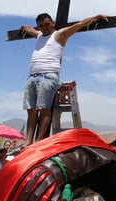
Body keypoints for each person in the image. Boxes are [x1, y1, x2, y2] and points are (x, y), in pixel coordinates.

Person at [20, 12, 109, 145]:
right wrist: (25, 27)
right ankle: (28, 142)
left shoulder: (59, 34)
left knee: (44, 109)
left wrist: (95, 18)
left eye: (47, 24)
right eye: (41, 26)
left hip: (48, 75)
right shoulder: (39, 35)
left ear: (53, 23)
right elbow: (31, 30)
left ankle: (37, 142)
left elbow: (78, 25)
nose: (44, 28)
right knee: (31, 111)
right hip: (32, 76)